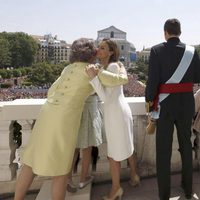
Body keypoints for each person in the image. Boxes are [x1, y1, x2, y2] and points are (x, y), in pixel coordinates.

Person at [14, 38, 97, 200]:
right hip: (64, 120)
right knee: (61, 170)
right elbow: (119, 81)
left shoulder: (67, 69)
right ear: (92, 54)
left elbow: (51, 91)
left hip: (47, 114)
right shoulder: (92, 70)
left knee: (30, 163)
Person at [145, 18, 200, 200]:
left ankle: (164, 194)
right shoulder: (192, 52)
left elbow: (152, 82)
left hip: (165, 106)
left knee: (163, 150)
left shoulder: (157, 50)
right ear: (180, 32)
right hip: (186, 104)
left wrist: (149, 102)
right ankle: (187, 188)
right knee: (186, 146)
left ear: (165, 32)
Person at [86, 38, 140, 200]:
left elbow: (105, 97)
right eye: (98, 47)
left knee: (113, 155)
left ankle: (116, 189)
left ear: (111, 52)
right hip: (120, 111)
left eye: (103, 48)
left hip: (115, 113)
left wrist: (93, 78)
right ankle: (134, 176)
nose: (98, 50)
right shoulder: (113, 67)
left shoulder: (112, 67)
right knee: (128, 145)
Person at [67, 94, 105, 192]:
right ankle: (83, 180)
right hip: (90, 109)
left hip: (76, 110)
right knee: (87, 148)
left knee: (74, 149)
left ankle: (68, 178)